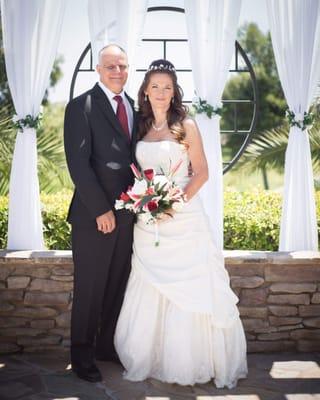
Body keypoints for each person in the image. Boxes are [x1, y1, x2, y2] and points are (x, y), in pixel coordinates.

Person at [114, 59, 248, 388]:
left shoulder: (185, 126)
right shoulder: (140, 127)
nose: (161, 92)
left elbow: (201, 172)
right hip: (149, 223)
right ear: (145, 90)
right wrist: (148, 201)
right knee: (150, 286)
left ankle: (194, 361)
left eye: (167, 87)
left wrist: (175, 202)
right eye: (155, 86)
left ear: (175, 93)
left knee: (192, 288)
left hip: (184, 220)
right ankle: (150, 356)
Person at [64, 44, 137, 382]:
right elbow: (78, 164)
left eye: (122, 65)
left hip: (128, 215)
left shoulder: (133, 107)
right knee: (90, 287)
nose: (117, 71)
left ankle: (106, 347)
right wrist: (100, 210)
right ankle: (81, 355)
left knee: (116, 285)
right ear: (98, 68)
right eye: (111, 66)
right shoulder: (81, 107)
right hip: (95, 216)